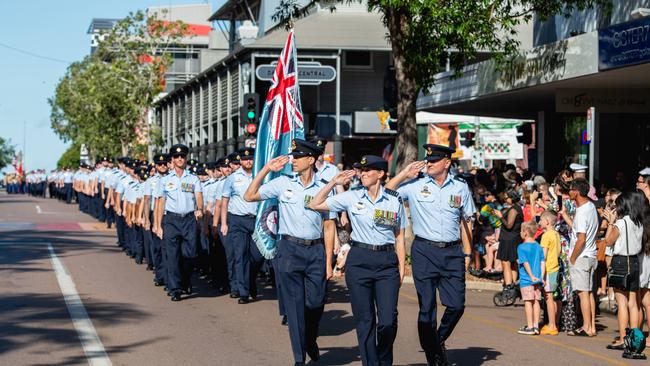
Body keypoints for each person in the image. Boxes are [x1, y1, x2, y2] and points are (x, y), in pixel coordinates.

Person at [243, 139, 337, 366]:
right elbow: (249, 196)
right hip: (289, 250)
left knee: (315, 303)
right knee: (294, 308)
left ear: (311, 160)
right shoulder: (283, 182)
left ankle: (310, 339)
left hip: (315, 250)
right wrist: (266, 169)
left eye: (298, 157)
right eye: (293, 157)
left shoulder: (323, 187)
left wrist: (328, 262)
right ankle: (299, 358)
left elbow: (329, 225)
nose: (293, 161)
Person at [310, 155, 406, 366]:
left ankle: (382, 357)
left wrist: (401, 268)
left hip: (386, 261)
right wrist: (333, 183)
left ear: (380, 174)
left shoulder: (394, 199)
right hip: (359, 260)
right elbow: (315, 204)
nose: (362, 174)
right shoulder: (352, 197)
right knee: (365, 321)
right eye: (360, 170)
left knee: (388, 321)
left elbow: (399, 236)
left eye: (367, 171)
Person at [386, 144, 475, 366]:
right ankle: (434, 356)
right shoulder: (415, 186)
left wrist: (468, 252)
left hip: (453, 252)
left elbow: (466, 222)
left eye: (434, 160)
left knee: (456, 306)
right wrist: (405, 173)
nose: (429, 163)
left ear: (447, 163)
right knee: (427, 309)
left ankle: (436, 341)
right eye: (428, 160)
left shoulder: (461, 187)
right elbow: (387, 191)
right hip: (424, 251)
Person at [154, 144, 203, 302]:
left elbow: (199, 195)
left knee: (190, 254)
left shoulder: (193, 178)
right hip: (172, 220)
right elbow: (160, 202)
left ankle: (185, 279)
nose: (180, 159)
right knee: (173, 255)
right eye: (176, 156)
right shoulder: (166, 180)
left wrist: (200, 208)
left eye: (182, 156)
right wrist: (157, 224)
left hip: (189, 219)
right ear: (172, 160)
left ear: (186, 158)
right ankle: (175, 288)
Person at [603, 192, 644, 349]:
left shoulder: (622, 223)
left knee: (621, 302)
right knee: (633, 303)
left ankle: (622, 338)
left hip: (620, 261)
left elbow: (608, 241)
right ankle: (634, 339)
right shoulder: (638, 222)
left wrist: (612, 222)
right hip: (634, 261)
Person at [220, 147, 262, 304]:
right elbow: (224, 201)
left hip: (256, 220)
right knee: (240, 255)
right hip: (237, 220)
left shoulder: (260, 175)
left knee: (258, 256)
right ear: (240, 161)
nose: (248, 161)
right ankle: (243, 292)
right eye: (245, 159)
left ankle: (250, 281)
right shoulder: (232, 178)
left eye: (251, 158)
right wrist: (224, 223)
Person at [566, 178, 599, 337]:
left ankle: (586, 326)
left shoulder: (581, 212)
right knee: (589, 292)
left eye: (571, 189)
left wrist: (572, 257)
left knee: (582, 293)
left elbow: (581, 239)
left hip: (582, 256)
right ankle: (591, 326)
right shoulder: (591, 207)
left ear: (576, 192)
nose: (569, 192)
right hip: (591, 255)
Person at [517, 220, 545, 335]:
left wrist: (531, 276)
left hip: (527, 279)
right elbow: (543, 262)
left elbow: (525, 263)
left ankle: (529, 326)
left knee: (528, 301)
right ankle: (536, 325)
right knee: (536, 301)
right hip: (538, 279)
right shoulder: (538, 246)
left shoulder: (521, 247)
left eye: (521, 231)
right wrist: (541, 277)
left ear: (525, 232)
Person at [495, 188, 524, 297]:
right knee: (512, 263)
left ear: (511, 198)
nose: (505, 199)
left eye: (506, 197)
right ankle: (512, 286)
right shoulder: (517, 208)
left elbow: (509, 225)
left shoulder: (514, 209)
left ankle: (509, 286)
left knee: (506, 262)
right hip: (513, 238)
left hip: (509, 238)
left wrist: (500, 216)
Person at [539, 210, 561, 335]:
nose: (540, 222)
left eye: (541, 220)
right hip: (555, 268)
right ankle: (554, 322)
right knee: (553, 297)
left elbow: (544, 255)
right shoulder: (556, 234)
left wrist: (540, 273)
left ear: (547, 222)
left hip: (548, 269)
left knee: (548, 297)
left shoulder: (546, 235)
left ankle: (552, 325)